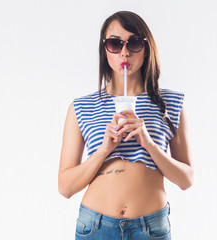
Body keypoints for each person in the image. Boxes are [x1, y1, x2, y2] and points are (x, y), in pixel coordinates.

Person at [58, 11, 194, 240]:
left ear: (146, 47)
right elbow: (65, 187)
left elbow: (186, 179)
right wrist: (103, 150)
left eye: (134, 42)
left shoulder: (170, 103)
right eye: (115, 43)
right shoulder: (81, 107)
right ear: (105, 50)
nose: (124, 51)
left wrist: (149, 144)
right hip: (95, 227)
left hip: (151, 228)